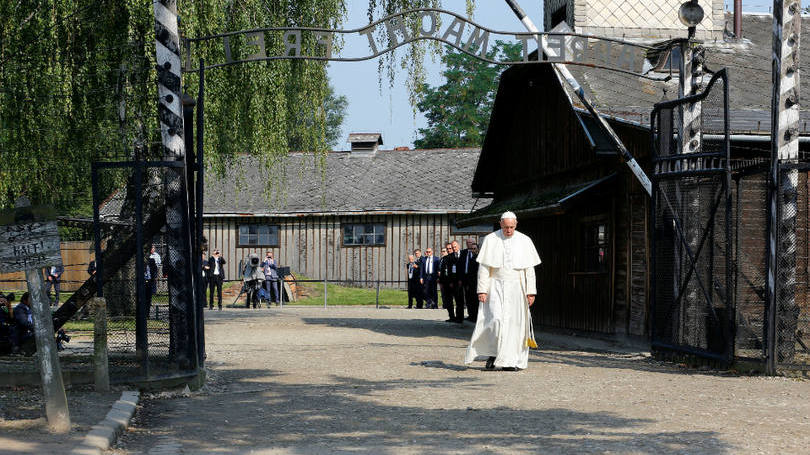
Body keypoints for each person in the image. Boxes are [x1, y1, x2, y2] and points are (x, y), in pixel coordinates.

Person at [465, 212, 541, 371]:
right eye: (506, 227)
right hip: (495, 286)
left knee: (514, 324)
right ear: (500, 224)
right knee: (495, 320)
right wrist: (482, 289)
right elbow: (484, 268)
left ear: (516, 224)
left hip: (517, 287)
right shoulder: (491, 239)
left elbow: (529, 270)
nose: (509, 230)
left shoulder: (525, 240)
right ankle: (494, 354)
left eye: (512, 227)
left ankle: (510, 361)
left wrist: (531, 291)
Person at [458, 239, 480, 322]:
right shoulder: (464, 253)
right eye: (468, 243)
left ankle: (475, 316)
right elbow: (460, 266)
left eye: (471, 243)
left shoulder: (478, 257)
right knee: (468, 298)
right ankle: (471, 315)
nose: (469, 245)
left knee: (475, 299)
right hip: (466, 279)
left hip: (475, 281)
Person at [439, 241, 460, 321]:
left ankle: (458, 317)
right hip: (446, 283)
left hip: (455, 282)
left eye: (450, 248)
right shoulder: (445, 258)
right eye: (447, 249)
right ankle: (451, 316)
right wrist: (441, 282)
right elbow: (442, 271)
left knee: (458, 300)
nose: (449, 250)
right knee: (448, 301)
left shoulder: (456, 257)